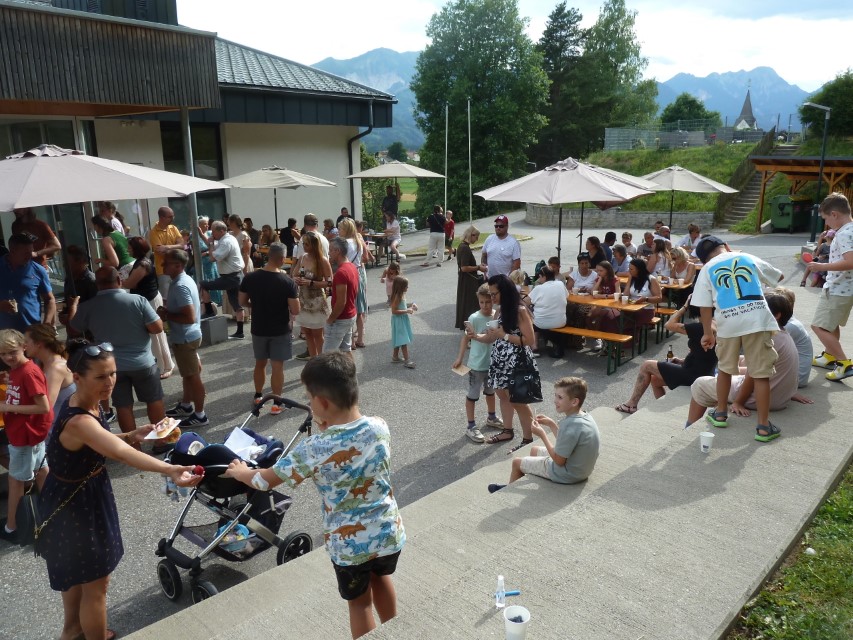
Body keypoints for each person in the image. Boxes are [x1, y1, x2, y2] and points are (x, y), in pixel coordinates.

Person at [223, 352, 405, 640]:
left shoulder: (314, 448)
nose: (309, 404)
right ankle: (397, 631)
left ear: (322, 403)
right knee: (381, 578)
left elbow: (263, 481)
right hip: (388, 533)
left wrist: (241, 472)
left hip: (350, 547)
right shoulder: (379, 426)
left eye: (309, 399)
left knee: (360, 603)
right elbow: (351, 437)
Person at [38, 340, 200, 640]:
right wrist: (170, 469)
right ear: (77, 377)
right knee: (96, 585)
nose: (110, 382)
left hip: (72, 496)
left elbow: (103, 441)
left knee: (77, 574)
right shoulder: (80, 420)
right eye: (101, 376)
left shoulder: (85, 401)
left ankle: (72, 630)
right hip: (78, 505)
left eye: (112, 373)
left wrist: (131, 434)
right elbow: (119, 453)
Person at [691, 236, 786, 442]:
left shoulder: (707, 269)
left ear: (703, 259)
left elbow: (704, 307)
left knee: (725, 369)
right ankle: (763, 427)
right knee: (760, 374)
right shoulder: (746, 258)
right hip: (757, 321)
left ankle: (720, 413)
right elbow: (779, 276)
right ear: (726, 246)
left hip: (727, 324)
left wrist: (708, 333)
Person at [687, 291, 812, 430]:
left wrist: (739, 402)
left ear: (776, 315)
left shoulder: (768, 338)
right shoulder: (783, 334)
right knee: (739, 361)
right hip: (780, 396)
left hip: (763, 399)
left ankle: (690, 427)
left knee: (700, 384)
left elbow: (753, 376)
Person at [71, 267, 166, 437]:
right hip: (142, 362)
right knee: (154, 400)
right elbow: (157, 328)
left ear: (97, 284)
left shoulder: (88, 306)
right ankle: (161, 441)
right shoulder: (138, 300)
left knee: (123, 406)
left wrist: (73, 308)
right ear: (119, 280)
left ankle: (133, 446)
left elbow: (73, 329)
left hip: (112, 367)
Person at [488, 377, 599, 493]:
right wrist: (551, 424)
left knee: (516, 462)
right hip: (581, 469)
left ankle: (507, 492)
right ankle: (532, 475)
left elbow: (559, 461)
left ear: (574, 402)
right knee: (534, 450)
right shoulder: (584, 416)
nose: (555, 400)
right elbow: (567, 441)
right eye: (555, 395)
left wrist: (542, 435)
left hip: (569, 474)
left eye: (560, 397)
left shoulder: (569, 426)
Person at [615, 295, 718, 413]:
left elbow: (668, 325)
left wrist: (684, 307)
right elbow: (704, 356)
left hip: (692, 376)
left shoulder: (700, 328)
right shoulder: (715, 324)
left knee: (647, 365)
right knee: (655, 380)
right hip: (704, 373)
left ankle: (631, 404)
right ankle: (663, 409)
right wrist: (681, 360)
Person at [474, 274, 537, 449]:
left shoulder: (520, 310)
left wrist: (504, 335)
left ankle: (528, 439)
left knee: (518, 401)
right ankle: (507, 430)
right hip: (501, 359)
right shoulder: (500, 310)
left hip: (517, 360)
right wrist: (475, 336)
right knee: (502, 395)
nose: (491, 297)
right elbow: (492, 337)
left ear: (505, 292)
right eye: (490, 293)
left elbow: (529, 340)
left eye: (494, 294)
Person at [0, 328, 52, 543]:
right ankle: (57, 514)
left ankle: (12, 527)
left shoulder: (28, 372)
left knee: (15, 480)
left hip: (26, 434)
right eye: (3, 354)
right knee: (42, 472)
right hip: (27, 433)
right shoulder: (16, 370)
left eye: (12, 352)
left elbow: (44, 407)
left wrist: (7, 407)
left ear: (24, 347)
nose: (7, 357)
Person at [239, 243, 300, 413]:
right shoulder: (287, 282)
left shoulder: (250, 278)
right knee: (277, 367)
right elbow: (296, 309)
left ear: (269, 256)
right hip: (280, 329)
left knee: (260, 363)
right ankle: (276, 403)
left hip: (259, 327)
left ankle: (258, 396)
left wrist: (255, 305)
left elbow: (242, 301)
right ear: (282, 259)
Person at [153, 249, 208, 431]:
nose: (162, 265)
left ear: (178, 265)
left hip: (185, 338)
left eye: (166, 263)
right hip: (188, 336)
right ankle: (186, 405)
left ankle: (200, 415)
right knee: (188, 374)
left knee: (193, 376)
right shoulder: (182, 280)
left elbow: (189, 317)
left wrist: (166, 315)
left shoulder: (180, 285)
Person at [806, 192, 853, 381]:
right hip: (844, 288)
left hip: (838, 288)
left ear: (834, 214)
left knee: (818, 326)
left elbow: (850, 261)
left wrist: (821, 267)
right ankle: (829, 356)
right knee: (830, 325)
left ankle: (844, 363)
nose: (826, 223)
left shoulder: (844, 234)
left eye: (826, 218)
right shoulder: (849, 229)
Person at [452, 284, 504, 443]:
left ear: (493, 300)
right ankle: (471, 426)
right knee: (473, 395)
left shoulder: (496, 316)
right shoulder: (474, 318)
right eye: (482, 302)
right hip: (476, 364)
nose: (485, 305)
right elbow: (465, 339)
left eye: (488, 301)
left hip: (492, 363)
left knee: (491, 392)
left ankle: (491, 417)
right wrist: (460, 358)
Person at [123, 236, 174, 380]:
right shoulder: (141, 262)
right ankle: (163, 364)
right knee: (155, 335)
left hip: (150, 301)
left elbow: (130, 284)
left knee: (156, 335)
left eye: (130, 247)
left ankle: (164, 366)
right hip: (147, 300)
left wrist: (119, 280)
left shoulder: (142, 264)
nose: (128, 250)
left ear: (136, 249)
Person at [0, 233, 56, 332]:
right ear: (12, 251)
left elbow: (50, 299)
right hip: (3, 334)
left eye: (31, 252)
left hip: (30, 332)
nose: (29, 257)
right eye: (25, 253)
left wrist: (46, 323)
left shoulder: (38, 270)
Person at [200, 220, 246, 340]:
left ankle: (209, 311)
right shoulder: (228, 238)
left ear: (221, 231)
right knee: (237, 304)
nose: (212, 234)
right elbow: (212, 246)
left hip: (230, 277)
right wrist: (203, 236)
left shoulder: (226, 242)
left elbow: (212, 258)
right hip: (236, 275)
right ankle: (240, 332)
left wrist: (210, 246)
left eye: (213, 232)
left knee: (204, 285)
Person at [293, 231, 332, 359]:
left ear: (314, 245)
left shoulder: (322, 261)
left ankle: (321, 360)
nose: (304, 246)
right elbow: (294, 274)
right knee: (307, 333)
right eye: (303, 244)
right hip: (303, 300)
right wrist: (296, 279)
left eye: (307, 244)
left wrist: (311, 282)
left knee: (317, 334)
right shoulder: (302, 257)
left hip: (317, 301)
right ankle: (313, 360)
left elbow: (329, 282)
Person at [24, 323, 76, 417]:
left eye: (26, 342)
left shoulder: (56, 368)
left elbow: (46, 407)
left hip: (61, 422)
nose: (23, 346)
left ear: (38, 344)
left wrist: (8, 407)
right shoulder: (41, 362)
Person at [339, 219, 371, 349]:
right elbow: (365, 259)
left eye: (340, 228)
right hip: (359, 273)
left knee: (350, 307)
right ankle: (360, 339)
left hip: (349, 273)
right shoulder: (358, 241)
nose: (339, 231)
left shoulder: (344, 243)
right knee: (360, 309)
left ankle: (351, 341)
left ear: (345, 229)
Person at [324, 237, 359, 355]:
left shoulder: (341, 273)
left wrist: (330, 320)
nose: (329, 253)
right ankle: (351, 368)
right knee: (346, 350)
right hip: (350, 315)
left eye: (330, 250)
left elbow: (341, 302)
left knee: (327, 355)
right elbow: (354, 292)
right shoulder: (352, 266)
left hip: (341, 319)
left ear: (337, 251)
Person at [773, 287, 813, 388]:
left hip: (797, 378)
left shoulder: (789, 326)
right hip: (792, 372)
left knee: (751, 369)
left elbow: (768, 350)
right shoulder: (789, 321)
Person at [60, 245, 98, 337]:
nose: (64, 265)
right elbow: (67, 301)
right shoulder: (69, 279)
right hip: (72, 331)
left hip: (88, 334)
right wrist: (64, 314)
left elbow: (96, 311)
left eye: (68, 262)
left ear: (80, 262)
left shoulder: (91, 282)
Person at [528, 266, 568, 352]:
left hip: (542, 323)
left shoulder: (539, 288)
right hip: (561, 322)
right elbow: (566, 296)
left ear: (544, 277)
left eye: (540, 276)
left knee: (529, 314)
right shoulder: (560, 284)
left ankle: (534, 345)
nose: (539, 278)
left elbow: (527, 301)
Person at [455, 226, 487, 329]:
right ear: (471, 235)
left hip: (465, 279)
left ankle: (469, 328)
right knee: (471, 305)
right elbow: (464, 267)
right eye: (476, 237)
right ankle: (470, 329)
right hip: (468, 281)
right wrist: (478, 267)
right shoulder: (465, 248)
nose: (477, 239)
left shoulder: (462, 246)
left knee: (466, 304)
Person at [148, 206, 183, 299]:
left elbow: (182, 245)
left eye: (173, 216)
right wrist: (177, 249)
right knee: (166, 298)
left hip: (178, 268)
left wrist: (167, 247)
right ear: (162, 217)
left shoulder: (173, 228)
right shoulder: (153, 232)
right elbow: (161, 252)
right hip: (163, 271)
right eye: (170, 217)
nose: (173, 218)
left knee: (180, 295)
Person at [585, 261, 621, 352]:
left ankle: (599, 339)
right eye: (597, 271)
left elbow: (618, 294)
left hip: (611, 305)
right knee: (588, 317)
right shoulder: (599, 279)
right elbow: (593, 292)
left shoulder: (615, 279)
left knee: (599, 317)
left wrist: (603, 296)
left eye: (601, 271)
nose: (598, 273)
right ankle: (596, 337)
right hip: (600, 304)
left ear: (608, 270)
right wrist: (599, 281)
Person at [389, 277, 416, 368]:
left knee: (399, 338)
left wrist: (411, 305)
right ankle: (407, 361)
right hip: (399, 320)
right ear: (400, 287)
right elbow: (394, 311)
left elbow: (403, 305)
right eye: (406, 286)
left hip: (402, 319)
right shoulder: (397, 296)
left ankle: (395, 357)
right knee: (403, 340)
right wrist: (406, 311)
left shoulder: (402, 295)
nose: (407, 287)